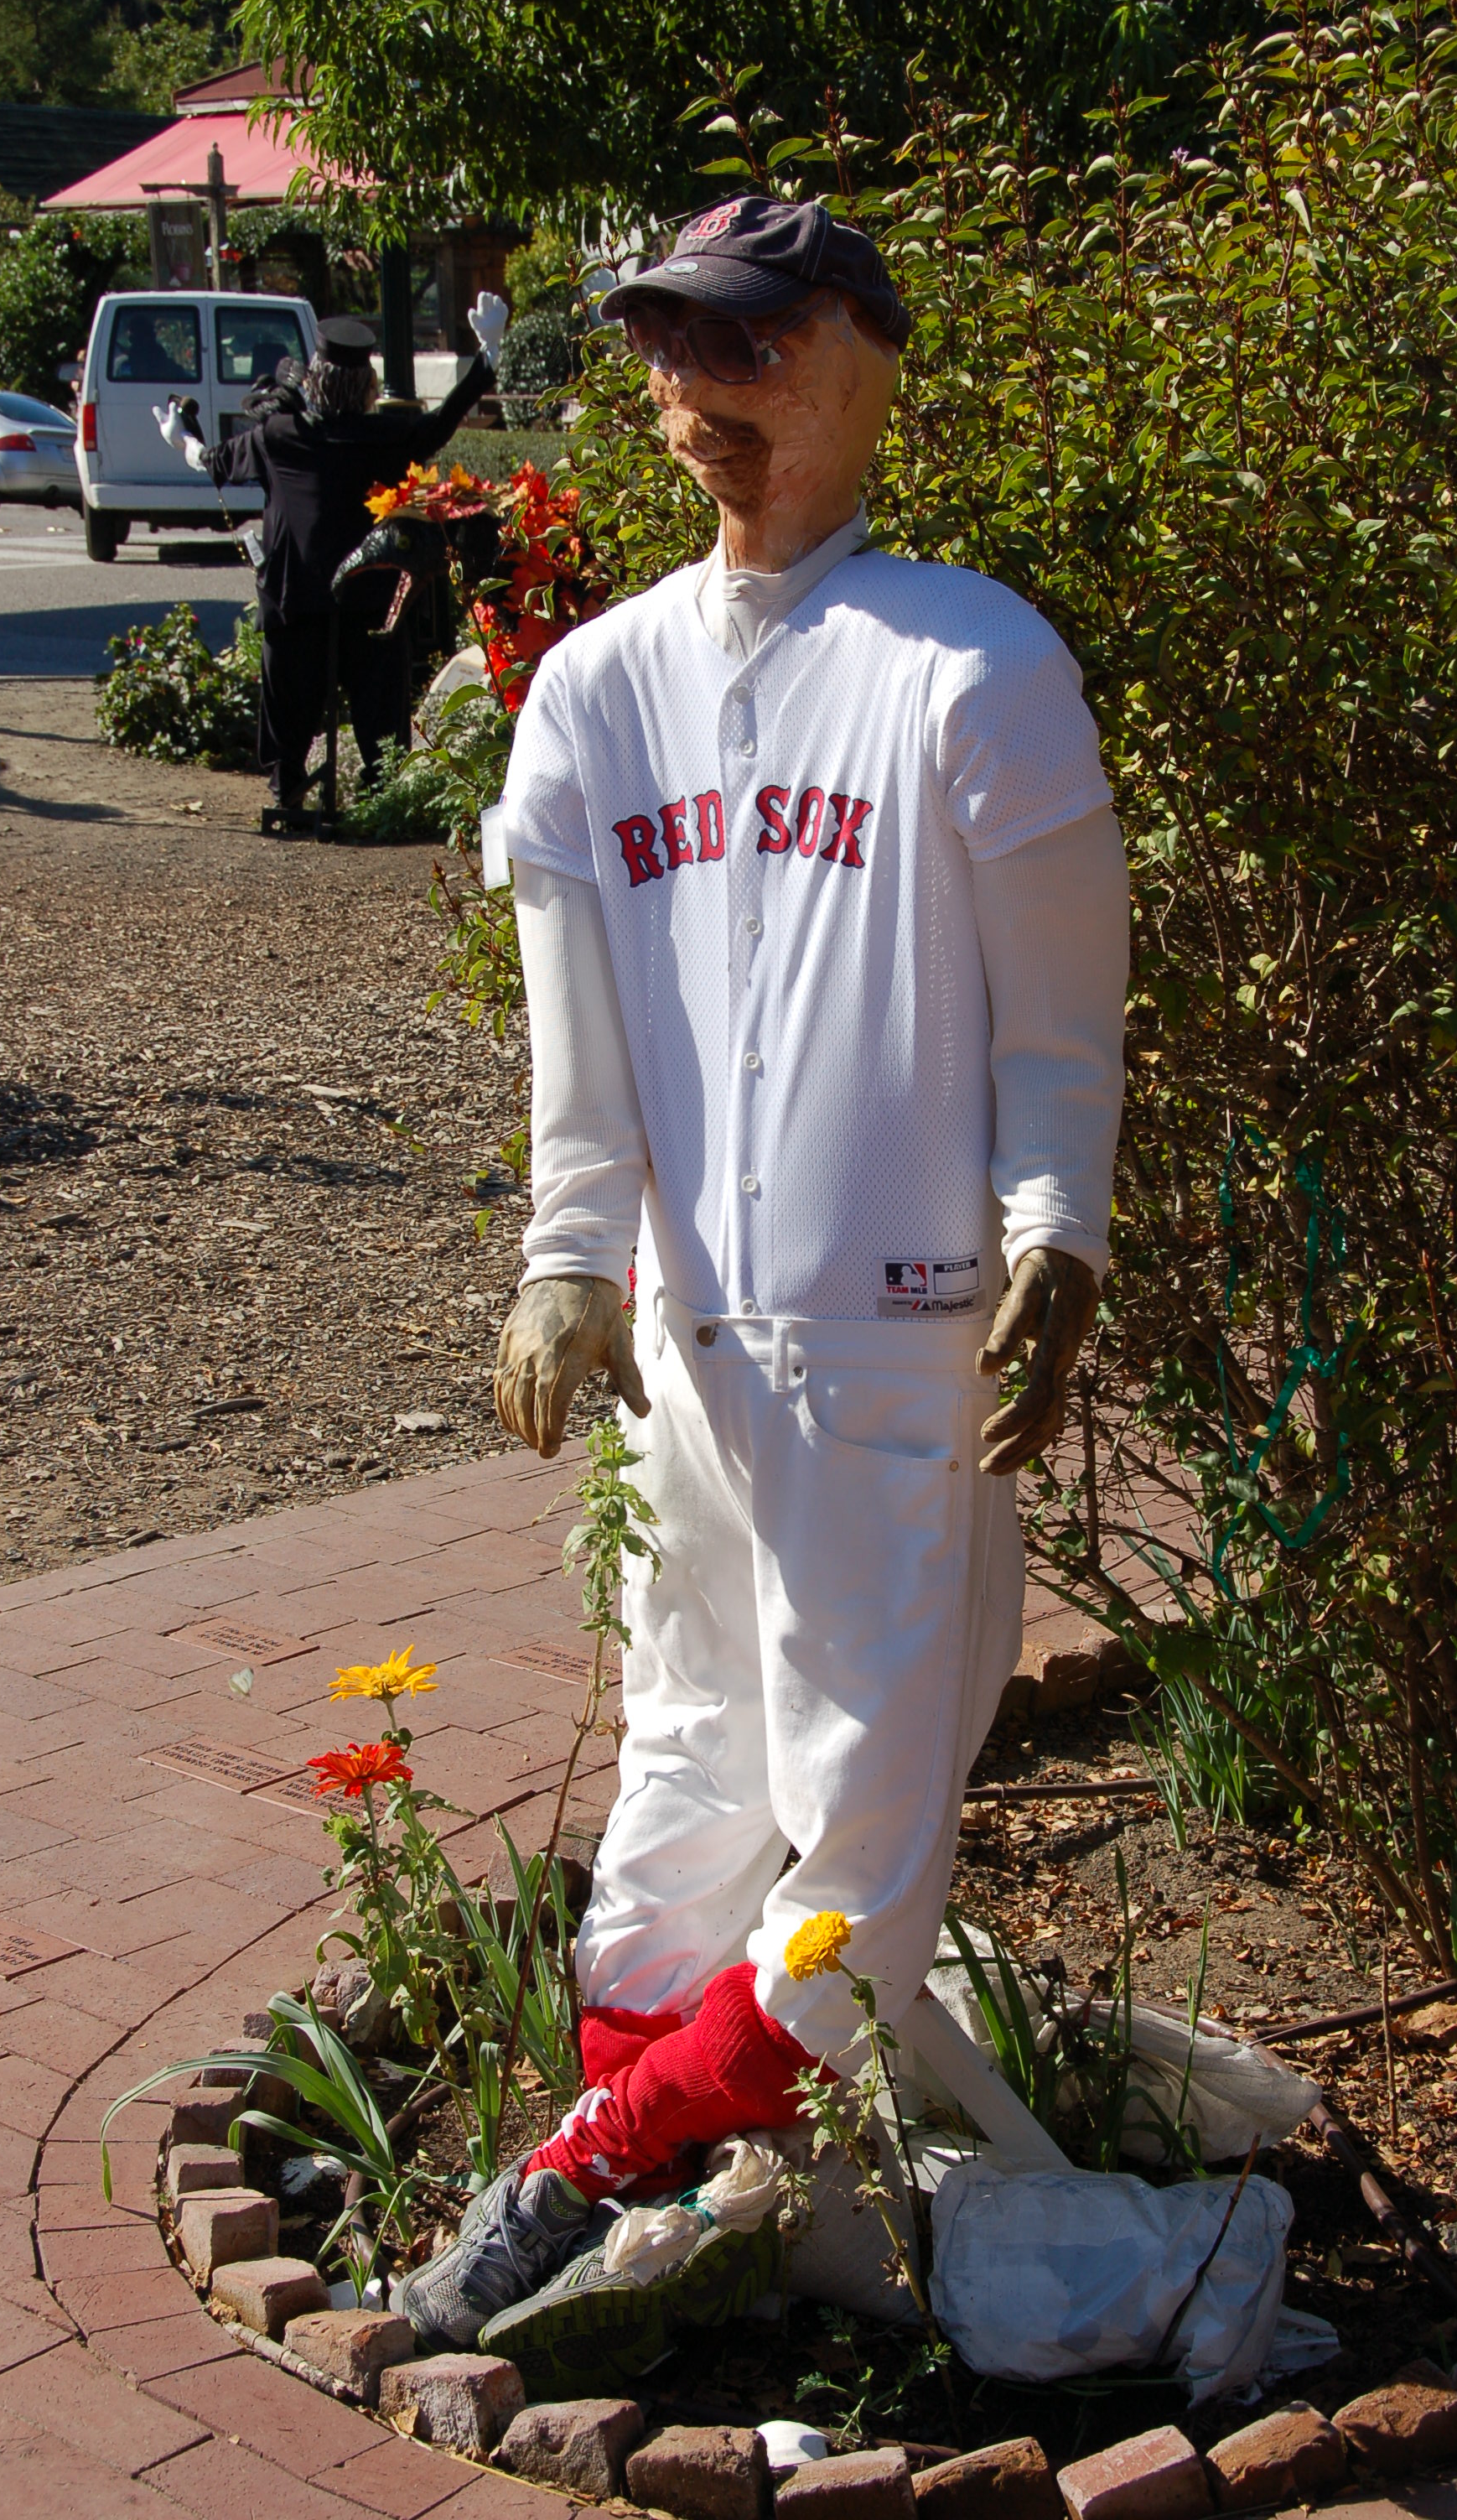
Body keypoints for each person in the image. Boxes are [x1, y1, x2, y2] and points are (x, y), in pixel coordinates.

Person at [402, 197, 1129, 2351]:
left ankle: (577, 2181)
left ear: (861, 361)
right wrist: (565, 1258)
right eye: (667, 352)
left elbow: (1058, 1025)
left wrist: (1057, 1230)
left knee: (858, 1850)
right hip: (688, 1364)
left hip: (897, 1355)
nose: (693, 395)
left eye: (745, 346)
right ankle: (666, 2190)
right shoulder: (594, 692)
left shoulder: (971, 667)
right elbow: (579, 1041)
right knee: (685, 1772)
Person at [153, 301, 509, 820]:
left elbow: (211, 461)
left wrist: (182, 436)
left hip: (295, 598)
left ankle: (288, 787)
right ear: (367, 385)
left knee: (286, 693)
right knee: (381, 699)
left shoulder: (280, 435)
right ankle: (381, 793)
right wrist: (487, 354)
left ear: (314, 379)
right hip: (371, 600)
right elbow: (442, 422)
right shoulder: (387, 436)